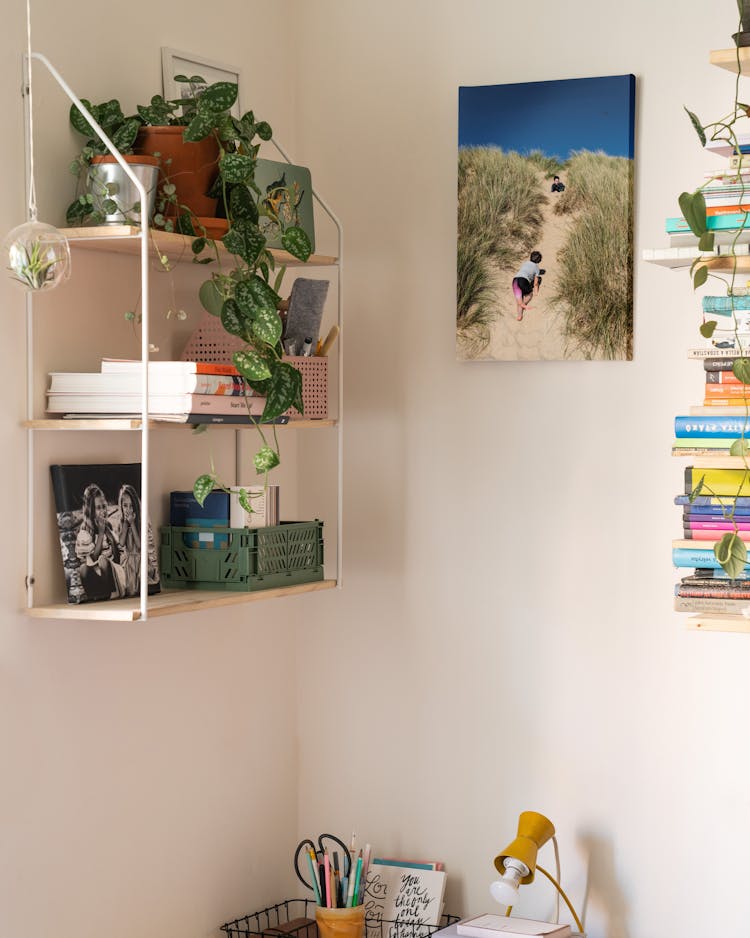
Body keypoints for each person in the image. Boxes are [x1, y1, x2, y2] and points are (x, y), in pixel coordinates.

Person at [75, 483, 124, 600]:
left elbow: (118, 550)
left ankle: (110, 593)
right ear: (91, 510)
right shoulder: (85, 530)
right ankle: (95, 595)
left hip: (112, 570)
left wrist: (104, 531)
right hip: (96, 572)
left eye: (104, 506)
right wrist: (100, 533)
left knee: (103, 560)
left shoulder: (108, 526)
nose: (103, 510)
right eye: (98, 508)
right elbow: (92, 558)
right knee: (83, 569)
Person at [117, 483, 159, 596]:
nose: (128, 510)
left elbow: (140, 545)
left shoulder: (140, 522)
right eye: (125, 506)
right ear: (121, 506)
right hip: (128, 560)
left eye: (131, 506)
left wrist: (132, 524)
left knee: (141, 579)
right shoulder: (121, 522)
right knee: (128, 586)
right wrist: (126, 524)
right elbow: (121, 543)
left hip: (140, 559)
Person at [512, 250, 545, 321]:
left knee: (519, 299)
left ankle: (519, 316)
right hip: (523, 280)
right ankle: (524, 304)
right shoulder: (536, 267)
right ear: (539, 261)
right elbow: (535, 283)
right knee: (529, 294)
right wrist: (536, 292)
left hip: (515, 280)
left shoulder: (525, 263)